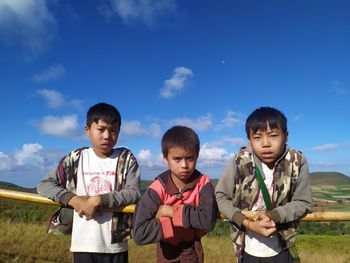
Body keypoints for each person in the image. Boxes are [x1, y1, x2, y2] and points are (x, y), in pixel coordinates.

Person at [37, 102, 141, 263]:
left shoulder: (126, 159)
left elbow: (133, 192)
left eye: (113, 130)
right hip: (82, 243)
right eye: (101, 129)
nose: (107, 136)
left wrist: (98, 200)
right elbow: (45, 185)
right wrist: (74, 200)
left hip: (116, 245)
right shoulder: (75, 159)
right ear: (87, 130)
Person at [215, 106, 312, 263]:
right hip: (245, 248)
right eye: (258, 137)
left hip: (282, 246)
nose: (265, 143)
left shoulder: (297, 160)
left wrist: (273, 215)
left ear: (286, 136)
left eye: (273, 135)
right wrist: (246, 223)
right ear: (249, 140)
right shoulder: (239, 160)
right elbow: (220, 197)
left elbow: (303, 202)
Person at [132, 125, 217, 262]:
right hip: (166, 253)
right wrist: (171, 223)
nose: (184, 165)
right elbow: (139, 233)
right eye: (177, 159)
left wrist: (168, 211)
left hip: (192, 252)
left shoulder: (203, 183)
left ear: (197, 156)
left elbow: (207, 221)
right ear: (166, 158)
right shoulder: (157, 188)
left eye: (190, 158)